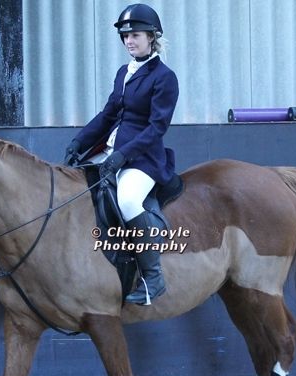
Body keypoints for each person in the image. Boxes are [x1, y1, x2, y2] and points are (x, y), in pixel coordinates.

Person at [64, 3, 179, 306]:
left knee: (128, 200)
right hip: (111, 151)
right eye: (126, 36)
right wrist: (79, 142)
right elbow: (108, 115)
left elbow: (156, 128)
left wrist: (124, 155)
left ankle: (153, 277)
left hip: (143, 158)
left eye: (135, 35)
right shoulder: (123, 73)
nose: (129, 40)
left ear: (152, 37)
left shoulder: (164, 77)